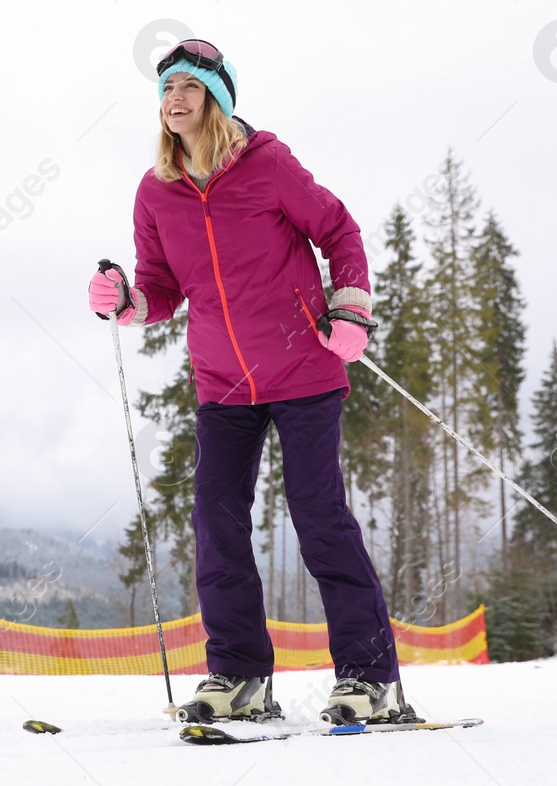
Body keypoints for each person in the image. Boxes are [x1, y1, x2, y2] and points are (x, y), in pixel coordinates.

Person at [87, 39, 417, 726]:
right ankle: (239, 674)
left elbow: (338, 227)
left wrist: (351, 306)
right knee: (216, 520)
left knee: (319, 515)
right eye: (166, 88)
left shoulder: (267, 164)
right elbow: (161, 288)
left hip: (303, 369)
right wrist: (124, 303)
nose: (175, 99)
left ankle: (370, 677)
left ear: (217, 99)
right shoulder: (156, 190)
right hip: (223, 381)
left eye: (190, 87)